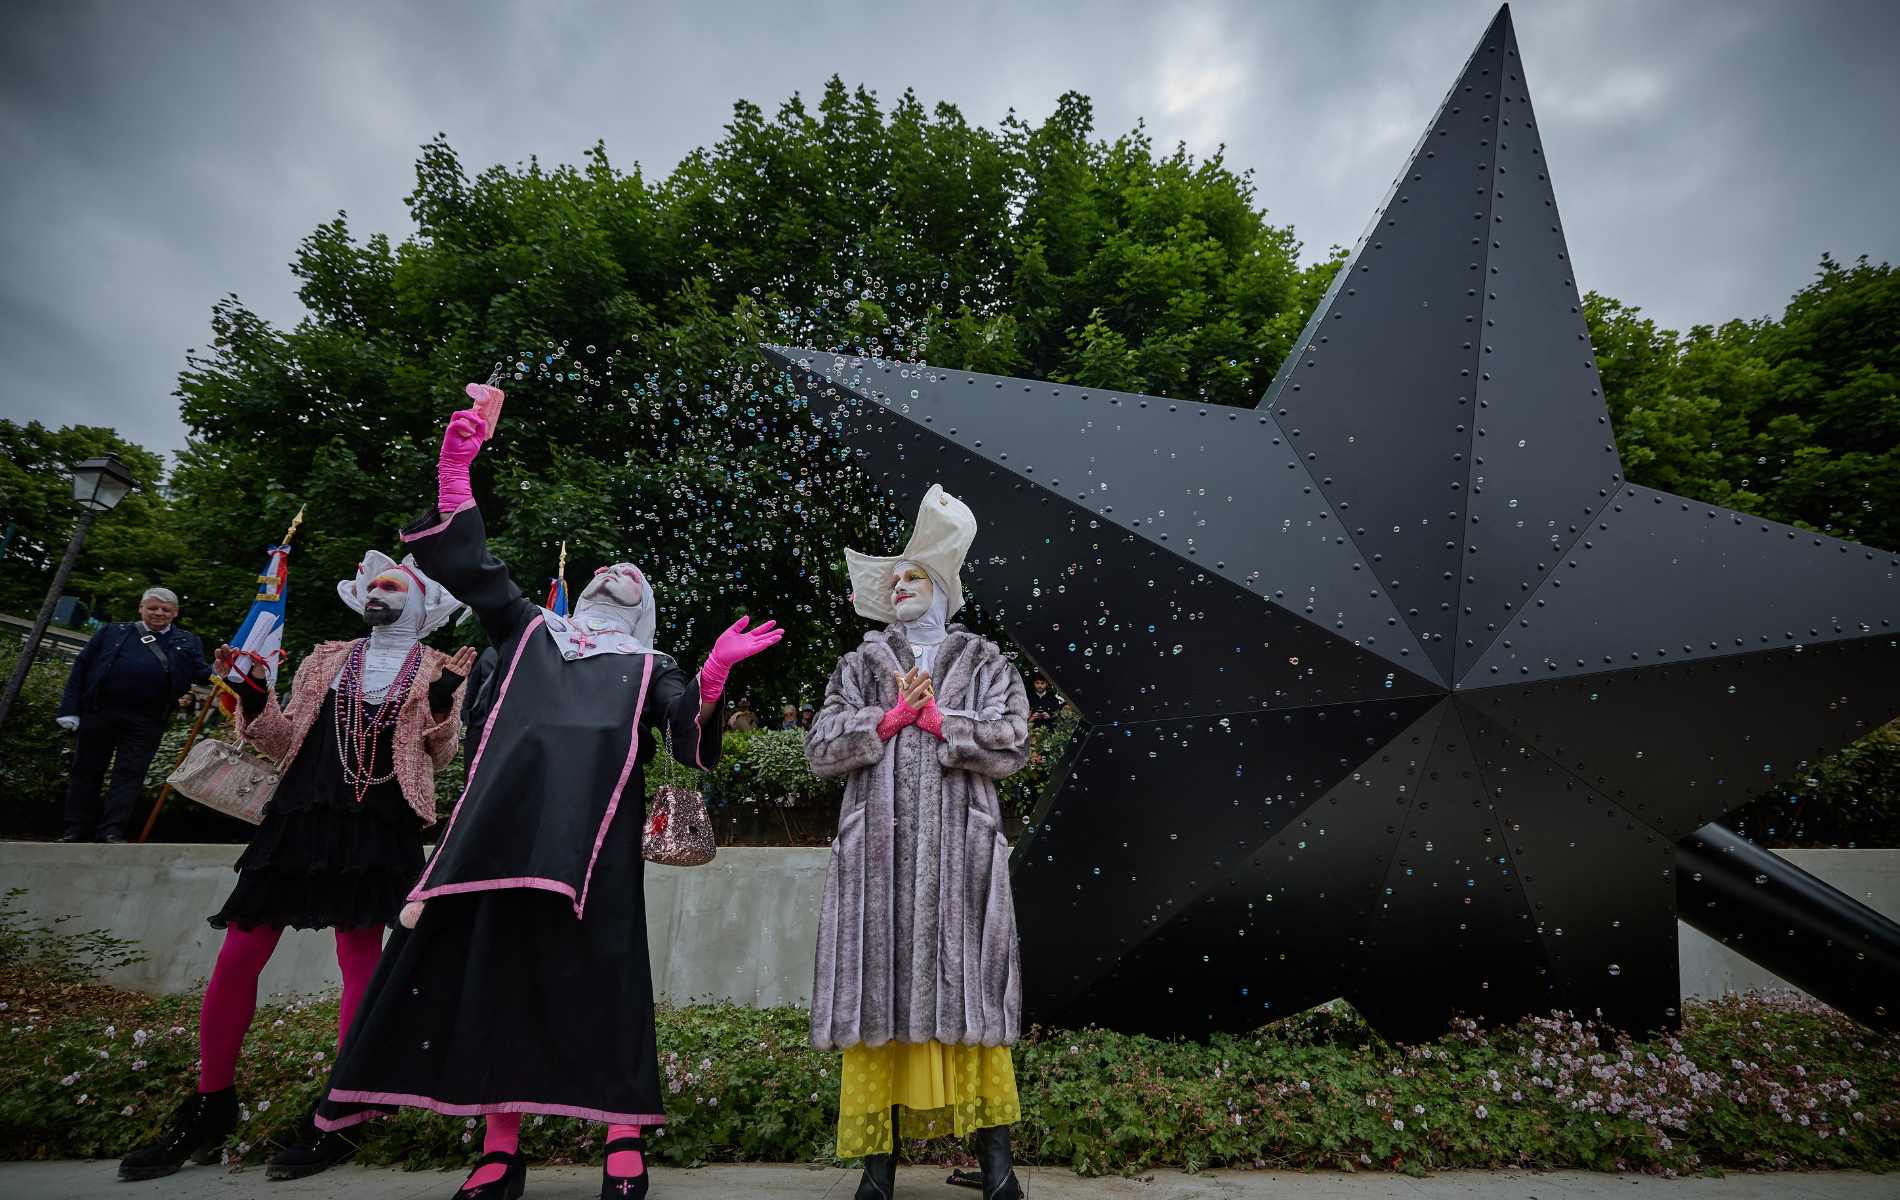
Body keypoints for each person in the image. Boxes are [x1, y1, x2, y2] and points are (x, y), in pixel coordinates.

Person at [312, 388, 783, 1200]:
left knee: (605, 979)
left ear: (647, 614)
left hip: (595, 847)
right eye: (609, 570)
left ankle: (623, 1136)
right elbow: (474, 568)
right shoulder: (531, 630)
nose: (614, 575)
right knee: (498, 980)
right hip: (504, 834)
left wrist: (708, 678)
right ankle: (499, 1148)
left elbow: (685, 734)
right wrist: (457, 466)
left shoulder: (650, 666)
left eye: (632, 577)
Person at [117, 555, 470, 1183]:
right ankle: (210, 1101)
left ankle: (343, 1109)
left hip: (378, 818)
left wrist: (441, 706)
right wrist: (253, 694)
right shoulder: (324, 658)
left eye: (392, 587)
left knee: (359, 956)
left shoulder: (440, 668)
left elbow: (439, 755)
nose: (378, 594)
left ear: (419, 604)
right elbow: (282, 738)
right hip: (303, 811)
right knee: (241, 952)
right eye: (373, 587)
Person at [806, 484, 1030, 1200]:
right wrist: (891, 718)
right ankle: (877, 1174)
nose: (900, 586)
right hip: (877, 867)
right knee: (879, 1009)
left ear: (941, 590)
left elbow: (1013, 741)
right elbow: (820, 749)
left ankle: (998, 1171)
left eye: (913, 576)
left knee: (974, 1009)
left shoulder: (985, 661)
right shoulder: (860, 665)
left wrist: (941, 726)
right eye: (893, 580)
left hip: (963, 862)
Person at [56, 586, 210, 842]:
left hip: (147, 719)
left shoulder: (188, 641)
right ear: (141, 608)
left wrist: (226, 667)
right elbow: (81, 669)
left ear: (175, 613)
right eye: (153, 608)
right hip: (100, 712)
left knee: (129, 775)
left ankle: (111, 831)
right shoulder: (112, 632)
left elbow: (202, 674)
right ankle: (75, 830)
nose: (159, 613)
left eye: (165, 609)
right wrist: (69, 709)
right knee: (86, 771)